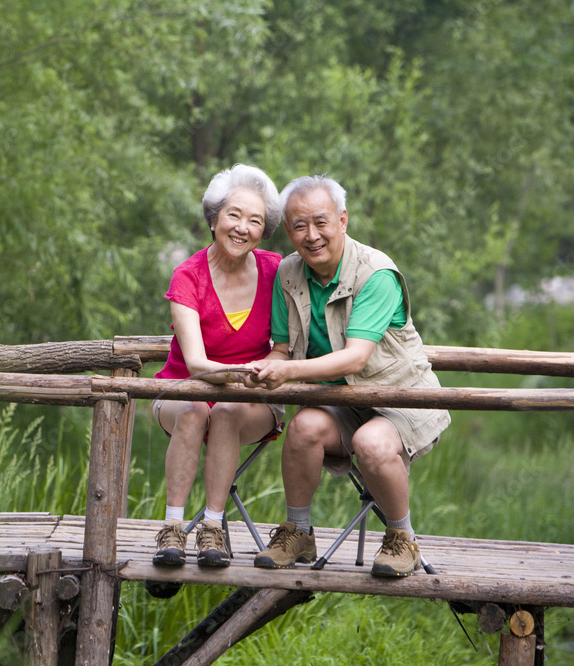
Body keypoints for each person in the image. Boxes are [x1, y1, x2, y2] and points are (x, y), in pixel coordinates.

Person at [247, 175, 451, 577]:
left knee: (371, 442)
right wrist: (264, 369)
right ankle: (298, 533)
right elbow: (282, 348)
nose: (311, 235)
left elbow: (354, 359)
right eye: (299, 225)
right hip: (342, 402)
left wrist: (287, 371)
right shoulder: (288, 273)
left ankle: (402, 539)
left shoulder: (376, 273)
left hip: (400, 398)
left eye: (320, 222)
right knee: (303, 427)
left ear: (343, 220)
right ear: (287, 230)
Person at [151, 163, 285, 569]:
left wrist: (267, 370)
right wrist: (240, 373)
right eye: (233, 215)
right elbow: (194, 364)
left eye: (255, 220)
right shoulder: (188, 275)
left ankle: (213, 527)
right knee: (197, 407)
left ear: (264, 230)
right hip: (185, 390)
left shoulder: (276, 270)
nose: (242, 227)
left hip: (252, 398)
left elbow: (285, 345)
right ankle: (173, 528)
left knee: (225, 410)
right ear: (213, 220)